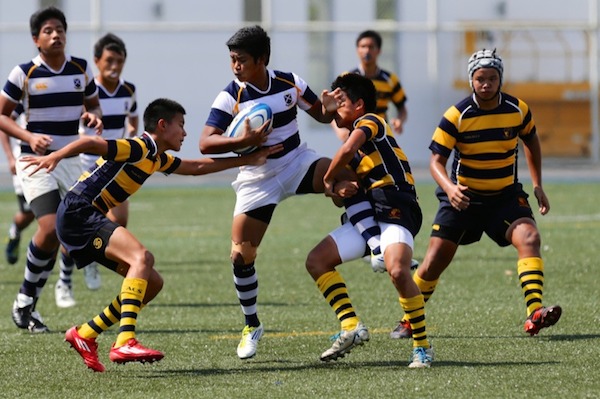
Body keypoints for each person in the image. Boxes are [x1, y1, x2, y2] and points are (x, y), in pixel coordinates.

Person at [20, 98, 281, 372]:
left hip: (83, 218)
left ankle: (85, 333)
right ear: (162, 125)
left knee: (152, 282)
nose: (185, 133)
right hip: (78, 212)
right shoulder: (139, 147)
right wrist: (55, 156)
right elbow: (92, 144)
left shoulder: (155, 157)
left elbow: (196, 167)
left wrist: (247, 159)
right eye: (181, 125)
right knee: (141, 257)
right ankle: (125, 340)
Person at [199, 25, 362, 360]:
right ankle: (252, 325)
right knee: (241, 256)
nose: (235, 67)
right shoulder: (231, 95)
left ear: (262, 59)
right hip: (257, 178)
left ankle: (376, 241)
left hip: (296, 162)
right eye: (232, 60)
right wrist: (243, 142)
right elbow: (205, 142)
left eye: (241, 60)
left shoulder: (290, 82)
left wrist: (329, 107)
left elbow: (319, 113)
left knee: (349, 176)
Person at [390, 49, 562, 340]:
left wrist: (537, 184)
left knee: (530, 238)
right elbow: (435, 162)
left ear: (500, 79)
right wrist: (450, 189)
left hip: (505, 197)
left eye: (492, 78)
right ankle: (409, 319)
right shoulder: (456, 115)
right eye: (480, 78)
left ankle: (535, 312)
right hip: (464, 198)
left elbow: (531, 139)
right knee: (433, 261)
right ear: (471, 80)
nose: (486, 84)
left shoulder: (517, 109)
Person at [306, 72, 433, 368]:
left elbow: (346, 150)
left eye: (342, 101)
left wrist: (328, 179)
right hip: (370, 218)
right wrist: (337, 187)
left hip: (396, 205)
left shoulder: (372, 121)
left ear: (360, 105)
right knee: (316, 260)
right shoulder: (351, 145)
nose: (336, 108)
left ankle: (423, 347)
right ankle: (351, 325)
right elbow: (338, 197)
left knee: (398, 271)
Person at [0, 6, 103, 331]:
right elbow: (2, 115)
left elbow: (93, 105)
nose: (56, 34)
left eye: (60, 29)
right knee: (48, 228)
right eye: (48, 30)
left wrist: (92, 117)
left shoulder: (80, 69)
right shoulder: (24, 73)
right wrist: (29, 136)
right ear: (36, 39)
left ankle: (26, 304)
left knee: (63, 234)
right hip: (35, 162)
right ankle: (25, 300)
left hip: (71, 161)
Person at [77, 32, 139, 291]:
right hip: (86, 163)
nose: (114, 67)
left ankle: (94, 255)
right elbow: (78, 120)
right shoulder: (90, 92)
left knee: (120, 220)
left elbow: (133, 118)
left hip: (115, 163)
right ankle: (75, 271)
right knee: (83, 220)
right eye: (109, 61)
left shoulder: (128, 89)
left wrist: (132, 135)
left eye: (120, 62)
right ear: (97, 61)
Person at [0, 105, 35, 265]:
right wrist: (10, 157)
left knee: (53, 216)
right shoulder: (24, 98)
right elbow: (3, 122)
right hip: (25, 162)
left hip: (55, 162)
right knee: (29, 213)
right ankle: (16, 229)